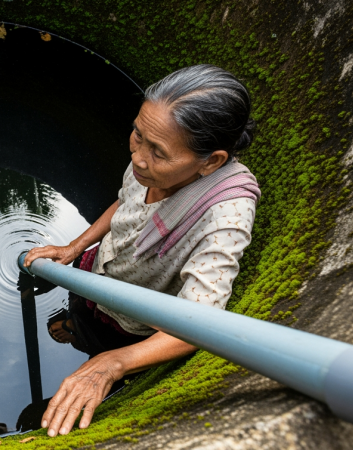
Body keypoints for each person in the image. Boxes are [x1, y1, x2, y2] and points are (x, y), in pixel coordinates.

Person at [23, 64, 261, 438]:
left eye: (158, 152)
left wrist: (114, 363)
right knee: (80, 316)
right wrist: (75, 247)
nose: (137, 157)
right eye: (137, 134)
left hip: (125, 321)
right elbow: (125, 203)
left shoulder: (225, 217)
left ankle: (86, 340)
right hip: (93, 272)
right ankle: (74, 325)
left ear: (211, 161)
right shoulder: (150, 156)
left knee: (98, 344)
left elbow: (198, 324)